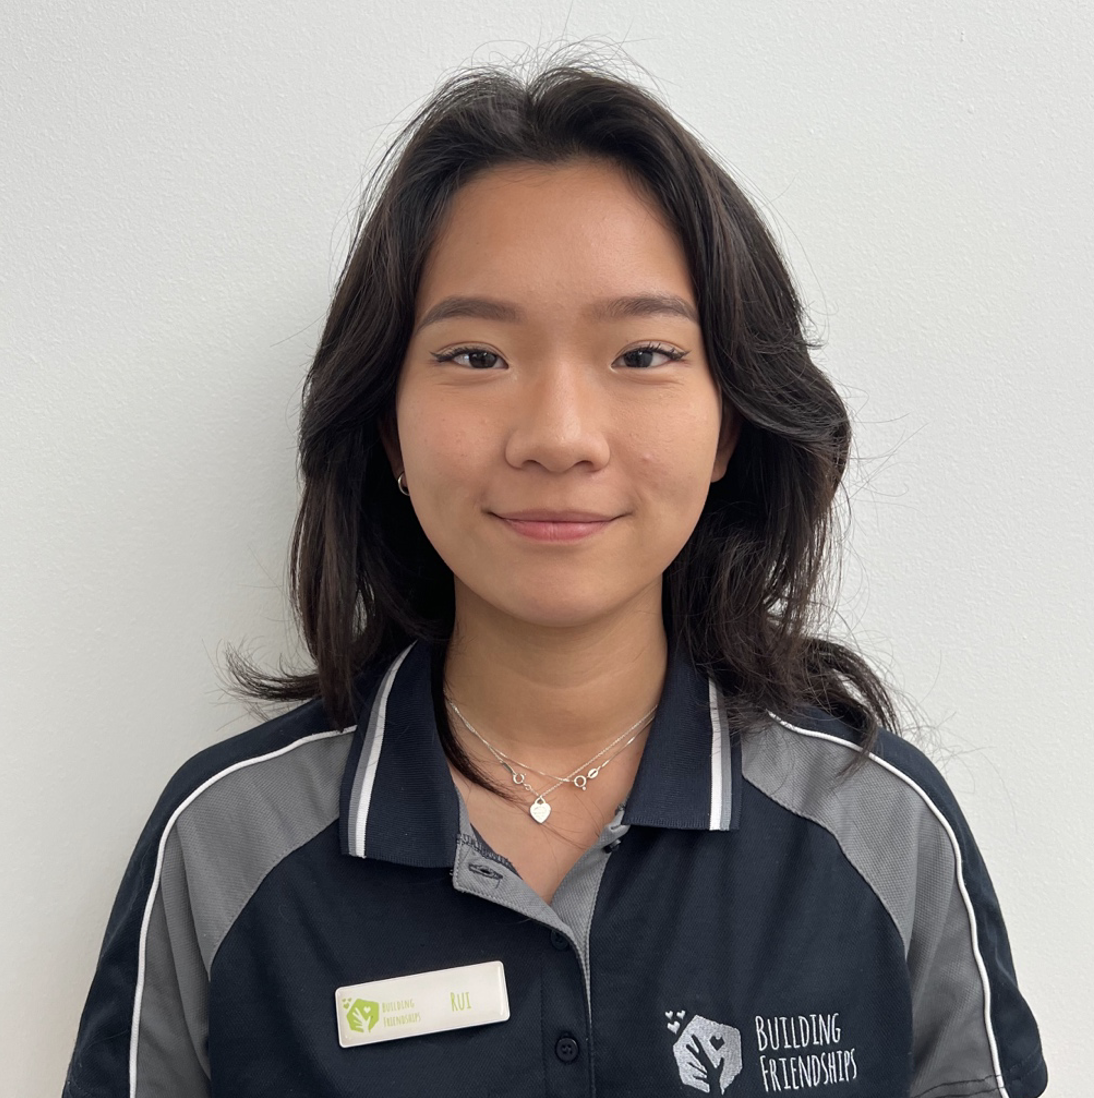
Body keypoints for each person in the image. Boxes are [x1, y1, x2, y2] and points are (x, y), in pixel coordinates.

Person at [63, 55, 1047, 1098]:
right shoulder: (225, 843)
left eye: (641, 355)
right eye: (476, 357)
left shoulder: (879, 827)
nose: (559, 437)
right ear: (387, 430)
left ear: (728, 425)